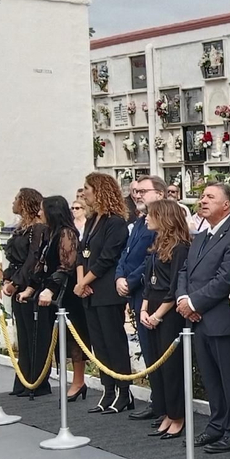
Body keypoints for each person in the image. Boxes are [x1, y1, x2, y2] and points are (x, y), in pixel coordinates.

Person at [176, 182, 230, 452]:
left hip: (221, 319)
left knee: (229, 378)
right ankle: (217, 424)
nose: (203, 200)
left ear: (226, 205)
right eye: (202, 196)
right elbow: (185, 270)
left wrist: (194, 302)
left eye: (210, 197)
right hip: (198, 319)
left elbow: (226, 278)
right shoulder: (202, 234)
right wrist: (183, 299)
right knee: (211, 378)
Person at [75, 173, 133, 414]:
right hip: (89, 291)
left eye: (87, 188)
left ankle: (123, 391)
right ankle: (108, 390)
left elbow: (107, 258)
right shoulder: (92, 220)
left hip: (106, 290)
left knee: (113, 342)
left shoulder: (115, 222)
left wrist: (85, 281)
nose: (83, 192)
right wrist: (81, 282)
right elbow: (82, 252)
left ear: (99, 190)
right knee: (99, 344)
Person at [138, 199, 192, 440]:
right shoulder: (156, 244)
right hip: (152, 305)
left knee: (171, 366)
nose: (146, 218)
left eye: (151, 214)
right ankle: (166, 412)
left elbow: (175, 286)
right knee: (156, 364)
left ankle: (177, 415)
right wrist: (144, 309)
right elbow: (149, 281)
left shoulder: (180, 248)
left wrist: (158, 315)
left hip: (168, 311)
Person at [35, 195, 87, 401]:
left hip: (68, 294)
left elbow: (67, 265)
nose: (39, 213)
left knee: (74, 338)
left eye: (42, 209)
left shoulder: (66, 233)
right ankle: (72, 381)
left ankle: (78, 381)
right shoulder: (51, 233)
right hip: (54, 292)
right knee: (61, 339)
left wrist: (50, 288)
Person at [2, 188, 50, 397]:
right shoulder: (21, 228)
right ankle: (23, 380)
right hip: (16, 281)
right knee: (22, 335)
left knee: (34, 335)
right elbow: (14, 258)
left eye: (17, 199)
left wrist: (17, 282)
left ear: (25, 202)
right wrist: (7, 278)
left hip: (31, 285)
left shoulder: (38, 229)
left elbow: (33, 259)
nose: (13, 202)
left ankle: (37, 381)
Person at [118, 178, 161, 411]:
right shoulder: (139, 222)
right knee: (146, 348)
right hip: (134, 294)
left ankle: (163, 404)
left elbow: (151, 259)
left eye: (143, 191)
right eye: (136, 191)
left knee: (157, 351)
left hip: (149, 292)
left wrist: (131, 280)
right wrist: (119, 277)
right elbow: (125, 254)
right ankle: (157, 400)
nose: (137, 195)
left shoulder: (161, 223)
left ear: (160, 194)